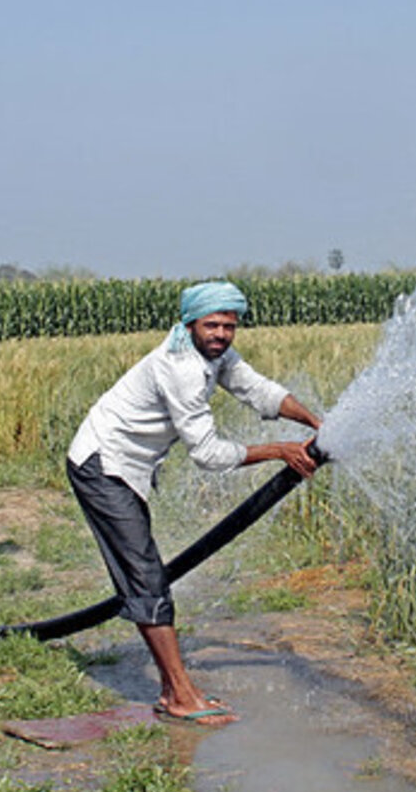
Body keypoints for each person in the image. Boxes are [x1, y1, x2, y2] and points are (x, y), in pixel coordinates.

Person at [66, 280, 322, 726]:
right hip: (102, 466)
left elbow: (257, 389)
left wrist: (317, 421)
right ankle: (179, 696)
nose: (221, 333)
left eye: (229, 325)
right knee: (146, 576)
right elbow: (206, 454)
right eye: (212, 325)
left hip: (126, 468)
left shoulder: (214, 355)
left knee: (143, 572)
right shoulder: (180, 366)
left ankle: (175, 688)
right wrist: (280, 450)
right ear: (190, 324)